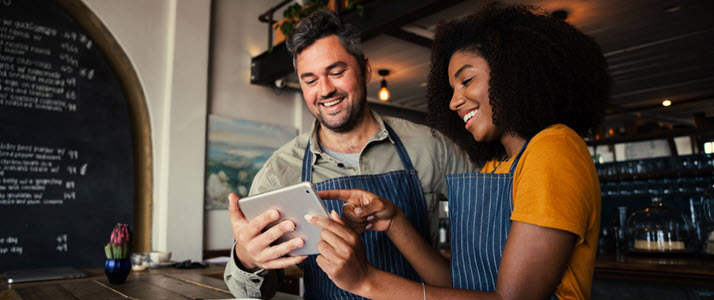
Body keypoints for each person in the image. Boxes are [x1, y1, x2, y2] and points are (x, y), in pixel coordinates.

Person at [306, 3, 610, 300]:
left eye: (466, 80)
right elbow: (462, 286)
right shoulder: (497, 167)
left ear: (513, 73)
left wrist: (366, 281)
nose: (454, 102)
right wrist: (395, 221)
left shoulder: (553, 149)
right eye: (452, 89)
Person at [223, 10, 475, 299]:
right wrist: (247, 258)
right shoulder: (279, 172)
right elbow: (252, 294)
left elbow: (488, 238)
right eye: (310, 80)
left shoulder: (431, 147)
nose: (326, 90)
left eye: (337, 72)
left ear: (365, 69)